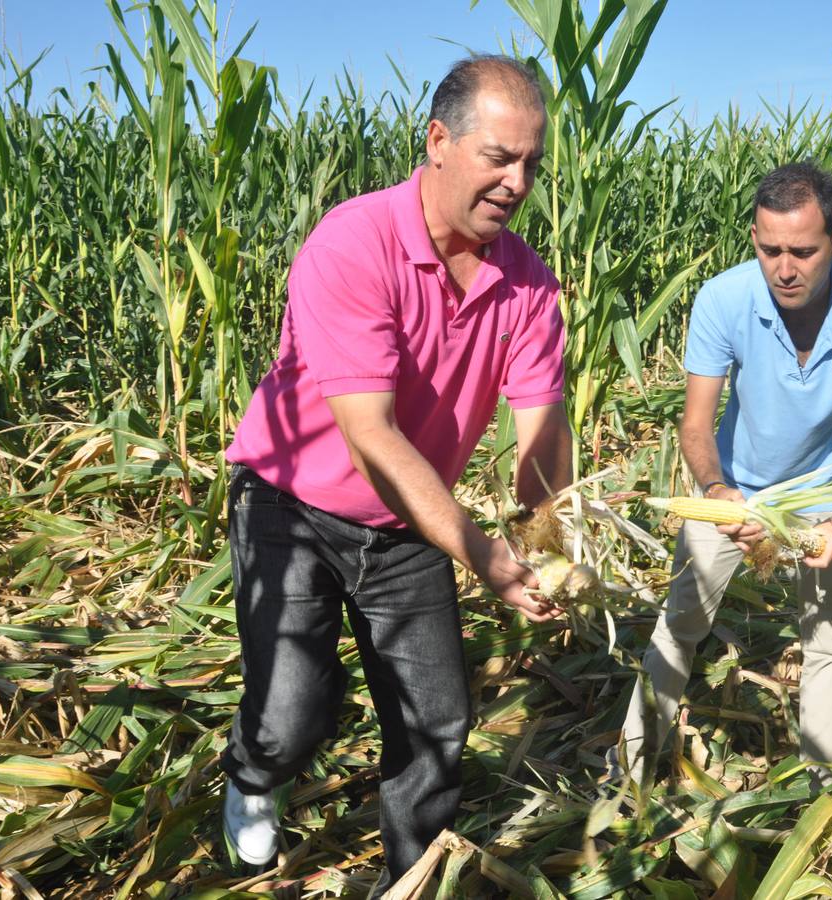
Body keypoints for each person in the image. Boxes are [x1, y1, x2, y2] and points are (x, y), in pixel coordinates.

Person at [218, 55, 570, 894]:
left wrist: (554, 536)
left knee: (436, 720)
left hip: (409, 520)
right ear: (439, 142)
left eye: (532, 163)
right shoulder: (354, 241)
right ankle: (254, 775)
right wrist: (479, 553)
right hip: (291, 503)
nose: (518, 182)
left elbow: (540, 436)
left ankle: (412, 876)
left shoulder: (526, 284)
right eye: (499, 157)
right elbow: (371, 436)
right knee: (291, 710)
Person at [611, 162, 832, 788]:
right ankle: (628, 776)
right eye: (769, 248)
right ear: (753, 237)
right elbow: (696, 426)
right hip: (738, 489)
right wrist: (721, 495)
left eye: (803, 251)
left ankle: (820, 799)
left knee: (825, 645)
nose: (784, 268)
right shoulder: (725, 299)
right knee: (679, 628)